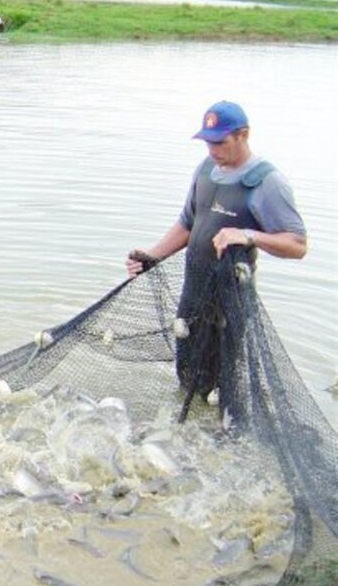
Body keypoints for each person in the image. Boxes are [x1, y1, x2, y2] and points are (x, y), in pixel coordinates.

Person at [125, 101, 308, 398]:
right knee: (187, 380)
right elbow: (187, 223)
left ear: (243, 135)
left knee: (220, 390)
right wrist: (153, 256)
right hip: (193, 295)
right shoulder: (206, 170)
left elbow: (297, 245)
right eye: (208, 142)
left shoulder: (266, 182)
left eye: (220, 142)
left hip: (229, 303)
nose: (212, 150)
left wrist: (248, 235)